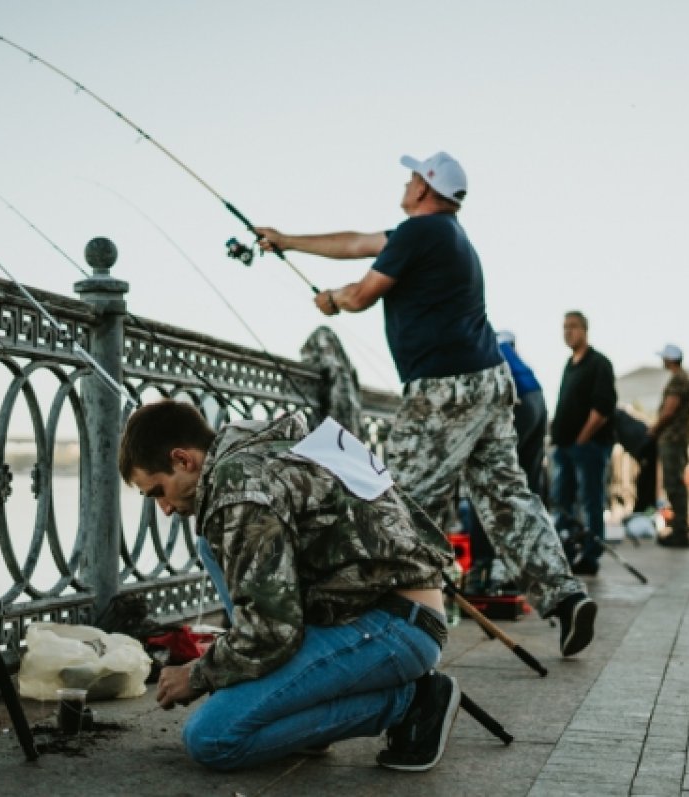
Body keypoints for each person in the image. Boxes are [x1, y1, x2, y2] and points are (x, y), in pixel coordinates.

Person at [253, 152, 595, 658]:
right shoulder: (440, 236)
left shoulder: (423, 232)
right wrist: (287, 240)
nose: (406, 182)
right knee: (506, 497)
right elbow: (354, 243)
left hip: (445, 391)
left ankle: (391, 612)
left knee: (398, 500)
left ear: (426, 188)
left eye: (413, 177)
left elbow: (366, 291)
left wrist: (333, 299)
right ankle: (565, 597)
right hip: (488, 382)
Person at [119, 400, 459, 772]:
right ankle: (303, 710)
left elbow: (271, 629)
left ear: (183, 460)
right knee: (209, 544)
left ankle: (411, 703)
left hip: (396, 627)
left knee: (213, 738)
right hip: (373, 607)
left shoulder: (240, 485)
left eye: (157, 492)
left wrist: (199, 674)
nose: (164, 508)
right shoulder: (262, 448)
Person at [550, 311, 617, 574]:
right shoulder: (570, 364)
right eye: (564, 327)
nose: (568, 332)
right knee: (563, 502)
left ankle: (590, 555)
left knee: (590, 500)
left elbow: (602, 408)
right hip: (565, 447)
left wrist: (582, 439)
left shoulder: (599, 363)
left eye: (573, 327)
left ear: (585, 330)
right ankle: (566, 551)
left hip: (588, 446)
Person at [649, 344, 689, 549]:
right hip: (676, 438)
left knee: (674, 484)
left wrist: (655, 429)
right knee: (675, 484)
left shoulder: (678, 380)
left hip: (673, 439)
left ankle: (680, 532)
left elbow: (669, 411)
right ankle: (679, 529)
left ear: (670, 359)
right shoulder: (682, 378)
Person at [495, 329, 548, 496]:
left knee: (504, 467)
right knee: (531, 470)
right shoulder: (518, 359)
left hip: (523, 400)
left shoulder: (493, 345)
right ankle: (535, 518)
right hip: (538, 398)